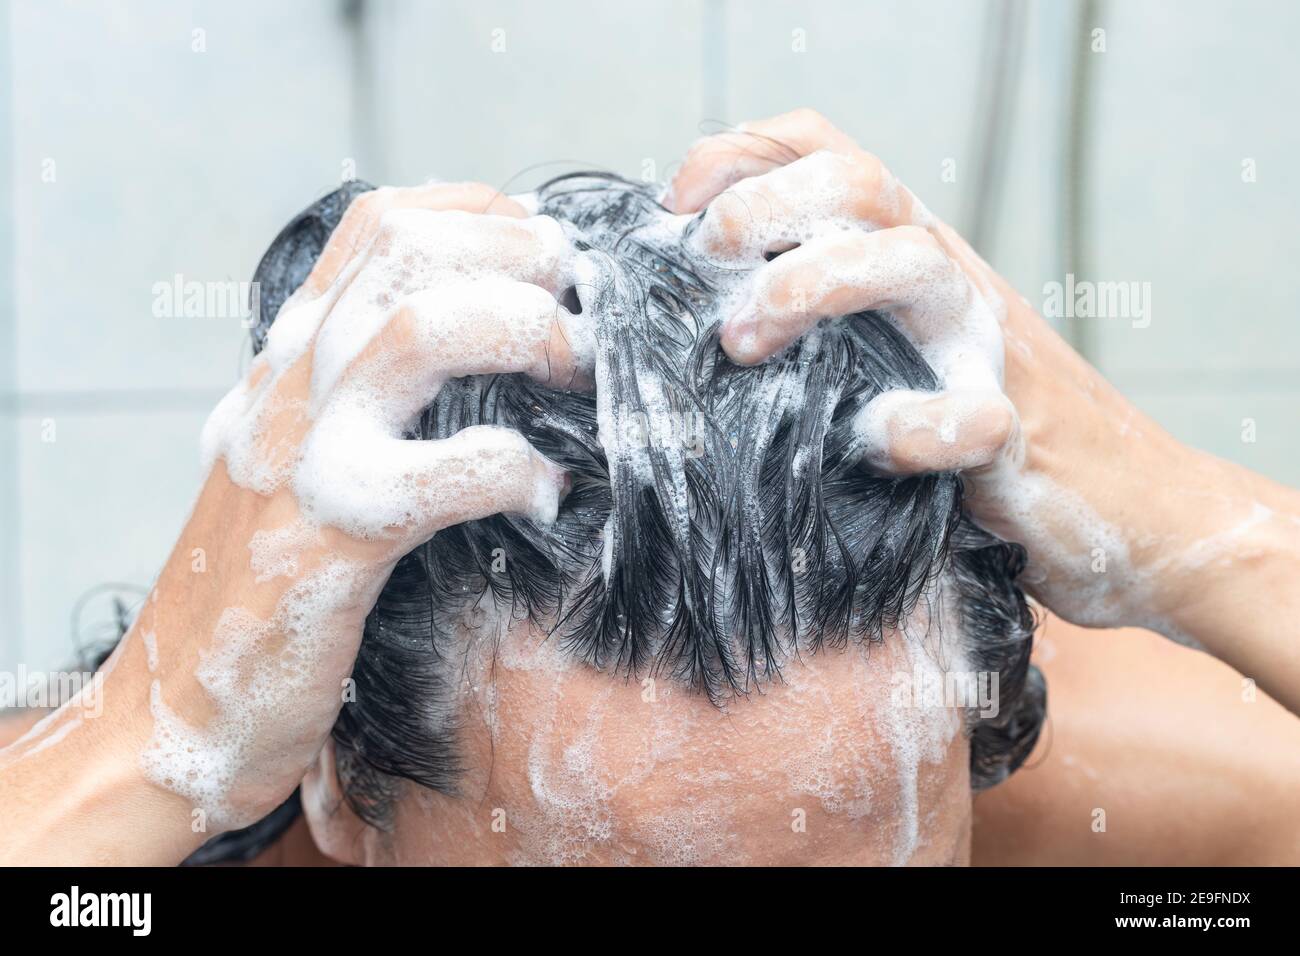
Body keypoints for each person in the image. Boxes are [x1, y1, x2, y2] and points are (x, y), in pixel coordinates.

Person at [1, 109, 1296, 866]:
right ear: (340, 783)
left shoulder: (1110, 806)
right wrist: (138, 750)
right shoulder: (119, 829)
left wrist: (1219, 545)